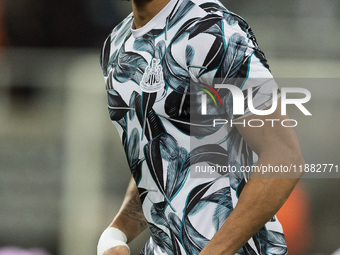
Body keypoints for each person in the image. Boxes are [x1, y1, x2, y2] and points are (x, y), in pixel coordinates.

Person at [97, 0, 305, 254]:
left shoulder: (212, 30)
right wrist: (116, 232)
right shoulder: (116, 45)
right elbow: (161, 160)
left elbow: (284, 157)